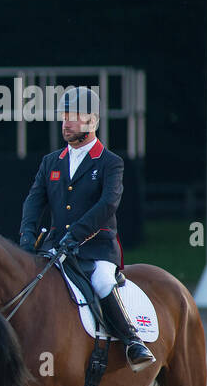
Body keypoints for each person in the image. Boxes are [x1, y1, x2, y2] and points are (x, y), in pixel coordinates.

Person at [18, 86, 155, 370]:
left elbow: (107, 205)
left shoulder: (110, 163)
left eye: (73, 116)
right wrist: (27, 235)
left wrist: (76, 235)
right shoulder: (51, 162)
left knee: (103, 282)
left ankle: (131, 341)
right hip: (57, 246)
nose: (65, 122)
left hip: (96, 248)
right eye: (63, 116)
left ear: (91, 121)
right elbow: (34, 201)